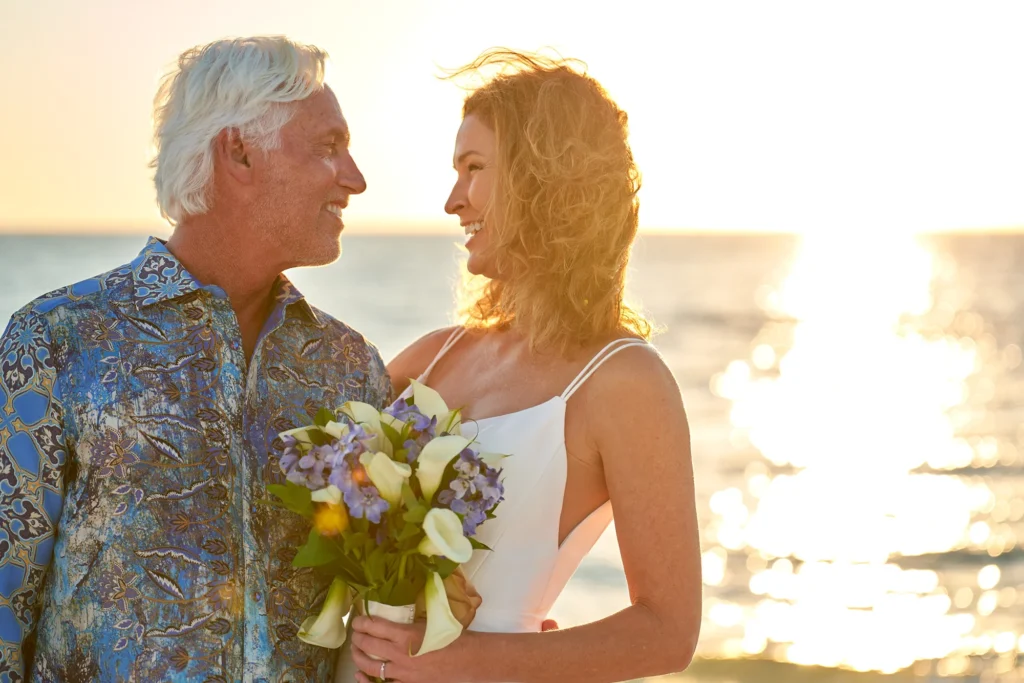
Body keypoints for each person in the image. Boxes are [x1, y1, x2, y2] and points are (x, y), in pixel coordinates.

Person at [0, 36, 389, 681]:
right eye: (329, 146)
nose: (355, 178)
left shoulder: (351, 370)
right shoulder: (57, 341)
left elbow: (367, 601)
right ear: (238, 152)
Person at [344, 50, 701, 683]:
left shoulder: (623, 382)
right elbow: (317, 499)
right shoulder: (437, 354)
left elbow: (667, 632)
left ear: (545, 181)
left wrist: (468, 659)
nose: (454, 200)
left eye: (474, 169)